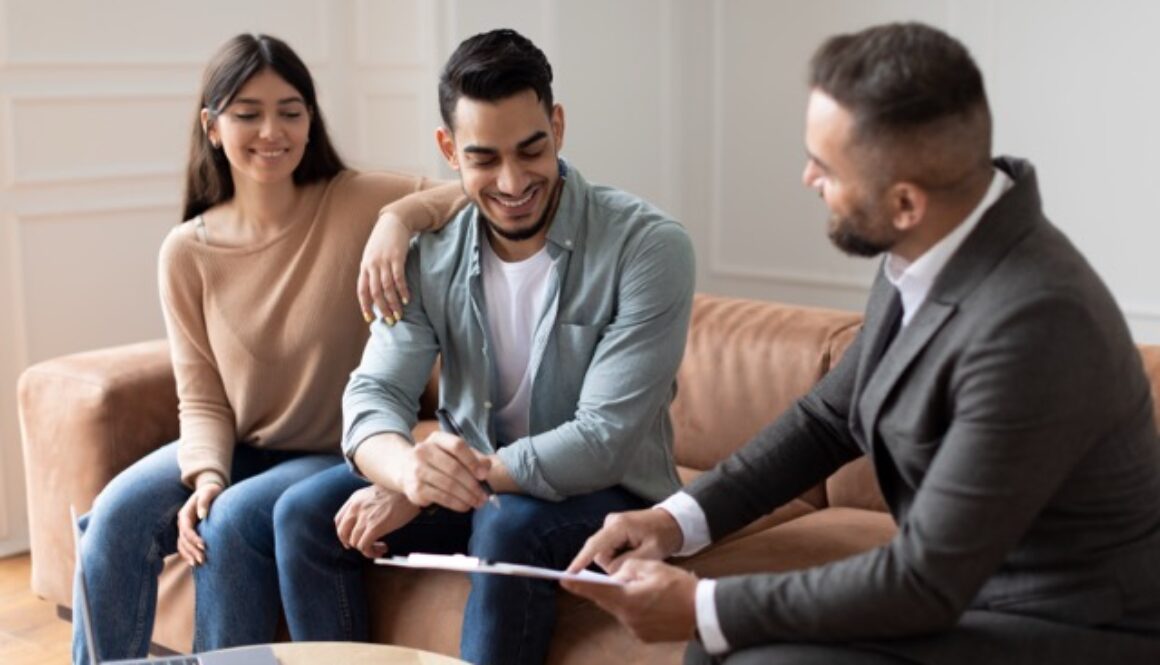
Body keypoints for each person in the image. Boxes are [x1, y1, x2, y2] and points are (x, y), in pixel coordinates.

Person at [563, 21, 1160, 665]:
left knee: (744, 657)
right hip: (968, 593)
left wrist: (701, 604)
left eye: (825, 166)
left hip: (1069, 625)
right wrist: (673, 520)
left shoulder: (1035, 325)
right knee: (718, 649)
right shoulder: (928, 245)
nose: (806, 178)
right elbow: (828, 419)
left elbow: (925, 579)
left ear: (904, 202)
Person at [274, 28, 695, 665]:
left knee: (505, 524)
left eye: (531, 150)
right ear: (449, 150)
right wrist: (407, 470)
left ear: (557, 125)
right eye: (484, 159)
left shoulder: (648, 247)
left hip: (608, 489)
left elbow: (604, 438)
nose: (512, 180)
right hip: (483, 480)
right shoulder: (428, 255)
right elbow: (374, 393)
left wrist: (436, 485)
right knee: (303, 514)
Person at [72, 33, 462, 664]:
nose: (271, 130)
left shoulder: (357, 201)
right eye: (247, 113)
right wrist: (205, 476)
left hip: (333, 450)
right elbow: (200, 395)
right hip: (243, 447)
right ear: (212, 126)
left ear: (311, 120)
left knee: (231, 523)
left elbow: (476, 186)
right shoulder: (186, 251)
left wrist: (399, 219)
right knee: (114, 516)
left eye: (290, 110)